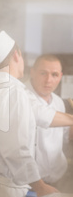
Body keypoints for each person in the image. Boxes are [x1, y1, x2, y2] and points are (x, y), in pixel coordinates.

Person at [0, 31, 73, 197]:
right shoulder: (14, 91)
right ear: (17, 54)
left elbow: (41, 114)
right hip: (8, 191)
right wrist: (40, 185)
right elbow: (15, 149)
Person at [26, 54, 70, 188]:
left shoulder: (58, 102)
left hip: (58, 178)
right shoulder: (21, 96)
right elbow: (42, 116)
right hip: (30, 183)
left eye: (54, 75)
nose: (48, 80)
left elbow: (65, 138)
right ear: (32, 72)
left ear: (60, 77)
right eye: (43, 73)